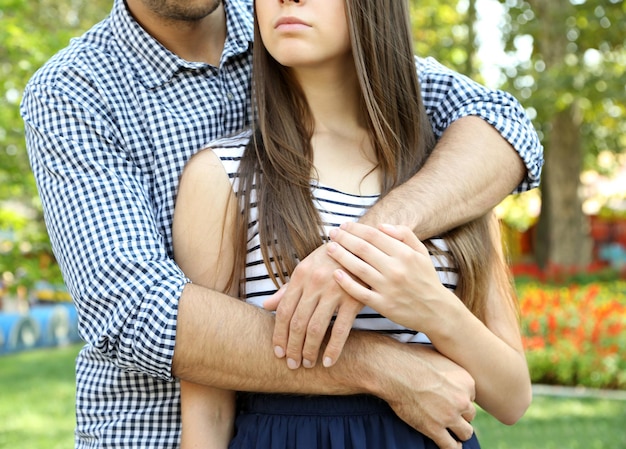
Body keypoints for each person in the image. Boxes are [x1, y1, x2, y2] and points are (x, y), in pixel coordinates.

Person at [19, 0, 542, 447]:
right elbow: (134, 311)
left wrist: (364, 249)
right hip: (155, 432)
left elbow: (503, 123)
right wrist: (384, 369)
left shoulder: (283, 22)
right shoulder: (76, 90)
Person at [173, 0, 531, 448]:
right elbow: (208, 411)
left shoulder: (451, 173)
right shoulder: (222, 175)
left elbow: (513, 398)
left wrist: (430, 307)